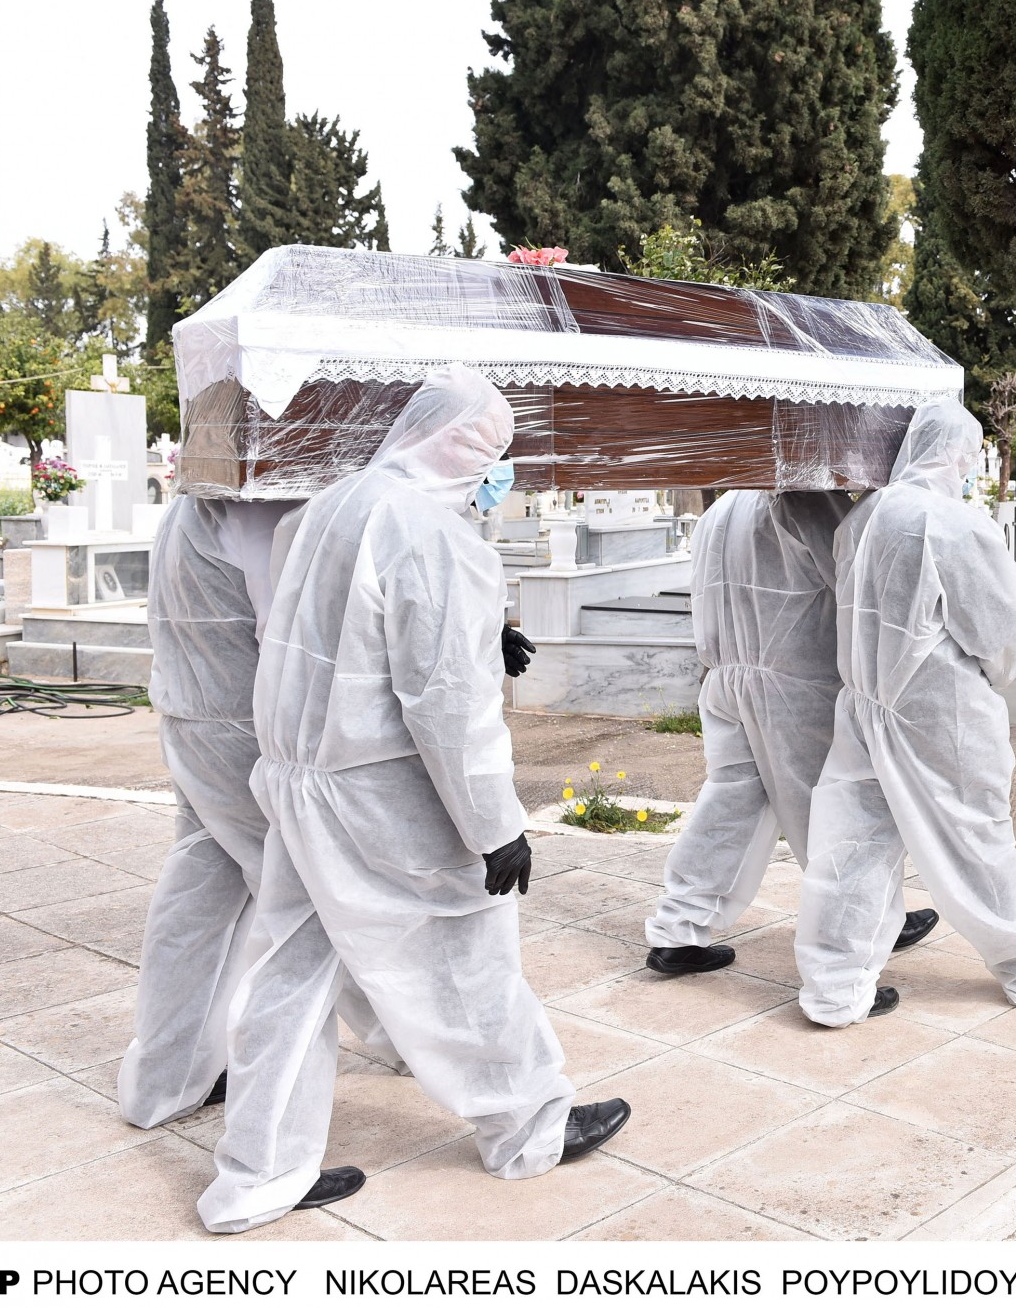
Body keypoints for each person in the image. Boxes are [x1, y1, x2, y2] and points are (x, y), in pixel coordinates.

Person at [198, 369, 628, 1234]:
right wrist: (495, 826)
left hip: (300, 777)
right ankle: (527, 1127)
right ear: (467, 447)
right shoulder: (433, 533)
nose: (500, 474)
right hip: (381, 790)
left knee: (291, 972)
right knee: (465, 951)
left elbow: (329, 628)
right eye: (498, 454)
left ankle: (257, 1176)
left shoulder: (333, 503)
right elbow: (444, 702)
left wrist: (482, 632)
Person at [794, 400, 1016, 1026]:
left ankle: (834, 987)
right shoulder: (951, 524)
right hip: (938, 713)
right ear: (956, 452)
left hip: (863, 707)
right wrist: (992, 675)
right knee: (976, 838)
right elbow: (1004, 627)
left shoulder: (862, 519)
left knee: (852, 846)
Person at [118, 497, 406, 1133]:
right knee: (313, 910)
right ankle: (277, 1136)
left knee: (197, 904)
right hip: (249, 735)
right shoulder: (256, 515)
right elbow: (298, 640)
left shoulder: (189, 506)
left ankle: (163, 1082)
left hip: (195, 719)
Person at [644, 489, 938, 974]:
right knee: (835, 812)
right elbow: (859, 582)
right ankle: (858, 930)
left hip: (726, 676)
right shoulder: (806, 501)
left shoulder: (720, 509)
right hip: (795, 684)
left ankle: (679, 928)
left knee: (729, 803)